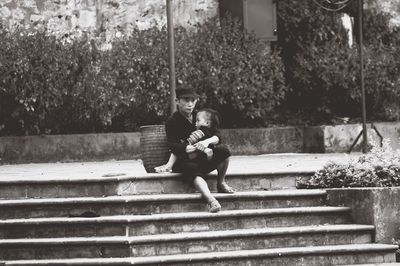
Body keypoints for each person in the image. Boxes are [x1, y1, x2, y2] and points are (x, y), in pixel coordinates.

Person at [162, 88, 235, 213]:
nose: (190, 104)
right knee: (191, 168)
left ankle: (221, 183)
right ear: (177, 101)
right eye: (186, 100)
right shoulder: (172, 121)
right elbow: (172, 145)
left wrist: (206, 142)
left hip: (204, 156)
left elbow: (217, 134)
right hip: (186, 160)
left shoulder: (200, 115)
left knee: (224, 151)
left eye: (193, 100)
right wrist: (188, 147)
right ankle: (211, 200)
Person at [154, 108, 219, 173]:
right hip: (200, 155)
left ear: (207, 123)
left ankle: (169, 166)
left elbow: (187, 143)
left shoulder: (199, 132)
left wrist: (185, 146)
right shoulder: (208, 130)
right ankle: (169, 165)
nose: (195, 123)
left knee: (180, 150)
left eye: (198, 121)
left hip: (198, 156)